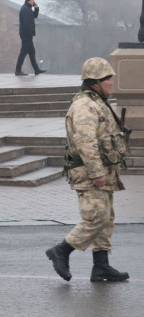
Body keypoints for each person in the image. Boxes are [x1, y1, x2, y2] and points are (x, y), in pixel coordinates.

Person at [46, 57, 129, 282]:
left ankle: (101, 266)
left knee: (106, 217)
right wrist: (96, 172)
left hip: (104, 171)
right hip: (89, 173)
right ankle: (61, 250)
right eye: (107, 78)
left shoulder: (97, 102)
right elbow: (85, 141)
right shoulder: (85, 106)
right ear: (95, 81)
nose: (111, 81)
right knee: (96, 218)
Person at [14, 0, 46, 76]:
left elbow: (34, 16)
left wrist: (36, 8)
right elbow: (26, 23)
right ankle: (18, 70)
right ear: (29, 0)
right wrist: (29, 32)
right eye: (32, 0)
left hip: (28, 34)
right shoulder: (25, 9)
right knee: (24, 51)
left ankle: (36, 70)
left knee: (32, 52)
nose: (34, 1)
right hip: (26, 34)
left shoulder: (28, 8)